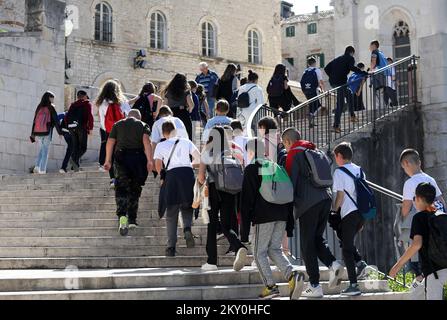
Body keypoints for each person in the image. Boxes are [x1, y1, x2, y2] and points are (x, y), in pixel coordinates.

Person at [240, 137, 305, 300]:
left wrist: (244, 231)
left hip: (263, 216)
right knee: (274, 249)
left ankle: (270, 287)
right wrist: (289, 225)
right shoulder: (277, 167)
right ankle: (292, 275)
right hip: (282, 215)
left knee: (258, 252)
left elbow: (246, 201)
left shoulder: (252, 168)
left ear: (250, 152)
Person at [282, 128, 344, 298]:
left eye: (284, 145)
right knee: (317, 238)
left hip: (308, 203)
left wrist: (286, 206)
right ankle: (333, 264)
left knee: (306, 245)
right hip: (325, 198)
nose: (285, 148)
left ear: (288, 142)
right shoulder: (313, 149)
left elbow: (290, 183)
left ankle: (315, 285)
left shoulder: (293, 154)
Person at [198, 126, 248, 271]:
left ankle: (211, 262)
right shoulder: (230, 151)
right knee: (227, 224)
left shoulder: (208, 149)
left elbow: (201, 176)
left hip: (214, 190)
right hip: (231, 190)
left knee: (212, 224)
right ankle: (238, 246)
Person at [399, 149, 446, 294]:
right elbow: (441, 202)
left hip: (421, 225)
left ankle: (417, 286)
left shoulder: (410, 183)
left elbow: (406, 208)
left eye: (403, 167)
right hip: (436, 225)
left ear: (406, 163)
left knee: (415, 262)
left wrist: (401, 223)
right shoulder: (430, 179)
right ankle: (420, 285)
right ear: (419, 162)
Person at [390, 182, 447, 300]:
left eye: (414, 198)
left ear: (419, 198)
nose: (414, 201)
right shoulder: (442, 215)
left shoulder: (419, 217)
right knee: (415, 295)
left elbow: (416, 244)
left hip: (434, 271)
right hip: (439, 268)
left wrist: (397, 265)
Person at [154, 121, 200, 257]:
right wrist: (189, 164)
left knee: (171, 211)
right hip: (187, 174)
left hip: (172, 176)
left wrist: (162, 176)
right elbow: (199, 159)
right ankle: (186, 228)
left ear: (163, 133)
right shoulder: (186, 142)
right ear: (175, 130)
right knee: (187, 206)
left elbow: (158, 164)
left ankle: (171, 247)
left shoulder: (161, 145)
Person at [103, 110, 153, 236]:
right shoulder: (143, 125)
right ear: (139, 117)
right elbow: (146, 141)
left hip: (121, 158)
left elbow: (110, 142)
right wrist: (150, 161)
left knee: (121, 188)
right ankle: (132, 219)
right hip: (138, 159)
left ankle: (122, 216)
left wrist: (108, 160)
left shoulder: (118, 124)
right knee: (135, 189)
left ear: (127, 116)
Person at [331, 142, 368, 296]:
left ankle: (353, 285)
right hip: (361, 214)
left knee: (346, 249)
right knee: (345, 240)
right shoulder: (360, 170)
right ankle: (360, 263)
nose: (335, 159)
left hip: (349, 214)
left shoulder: (339, 172)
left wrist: (333, 211)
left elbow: (340, 196)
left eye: (335, 156)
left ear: (339, 156)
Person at [324, 46, 367, 133]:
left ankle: (352, 116)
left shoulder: (338, 59)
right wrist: (363, 72)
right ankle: (335, 126)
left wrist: (332, 76)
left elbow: (326, 68)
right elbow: (351, 67)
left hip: (334, 82)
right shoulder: (350, 58)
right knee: (341, 103)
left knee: (349, 94)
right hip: (340, 82)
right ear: (352, 52)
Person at [96, 80, 127, 186]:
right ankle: (122, 176)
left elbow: (102, 121)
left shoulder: (102, 103)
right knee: (122, 153)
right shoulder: (122, 102)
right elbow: (128, 115)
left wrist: (107, 131)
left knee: (110, 155)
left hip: (110, 132)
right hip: (123, 131)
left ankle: (113, 178)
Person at [30, 91, 63, 174]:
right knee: (45, 151)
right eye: (52, 98)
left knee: (42, 149)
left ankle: (37, 166)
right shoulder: (51, 107)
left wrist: (33, 134)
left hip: (38, 132)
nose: (53, 100)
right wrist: (60, 132)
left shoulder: (39, 107)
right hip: (47, 131)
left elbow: (34, 121)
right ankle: (42, 170)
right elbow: (56, 121)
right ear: (49, 98)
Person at [64, 90, 94, 172]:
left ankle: (75, 167)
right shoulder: (87, 104)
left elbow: (66, 116)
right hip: (81, 128)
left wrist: (68, 127)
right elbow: (90, 117)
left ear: (77, 97)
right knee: (83, 148)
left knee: (75, 147)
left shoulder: (73, 105)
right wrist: (91, 128)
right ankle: (74, 159)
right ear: (85, 96)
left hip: (71, 128)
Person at [163, 73, 194, 141]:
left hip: (171, 114)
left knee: (171, 135)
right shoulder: (186, 91)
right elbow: (191, 104)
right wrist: (189, 110)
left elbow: (164, 105)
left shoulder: (168, 91)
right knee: (186, 134)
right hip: (182, 113)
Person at [300, 57, 325, 128]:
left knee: (311, 105)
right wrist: (323, 90)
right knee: (319, 106)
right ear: (314, 63)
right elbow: (320, 81)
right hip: (314, 90)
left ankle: (311, 123)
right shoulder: (317, 70)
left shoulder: (305, 71)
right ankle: (312, 115)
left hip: (306, 90)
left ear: (308, 64)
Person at [188, 80, 202, 146]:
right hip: (196, 117)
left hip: (191, 117)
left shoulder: (189, 96)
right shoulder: (195, 96)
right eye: (196, 88)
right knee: (196, 138)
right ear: (193, 88)